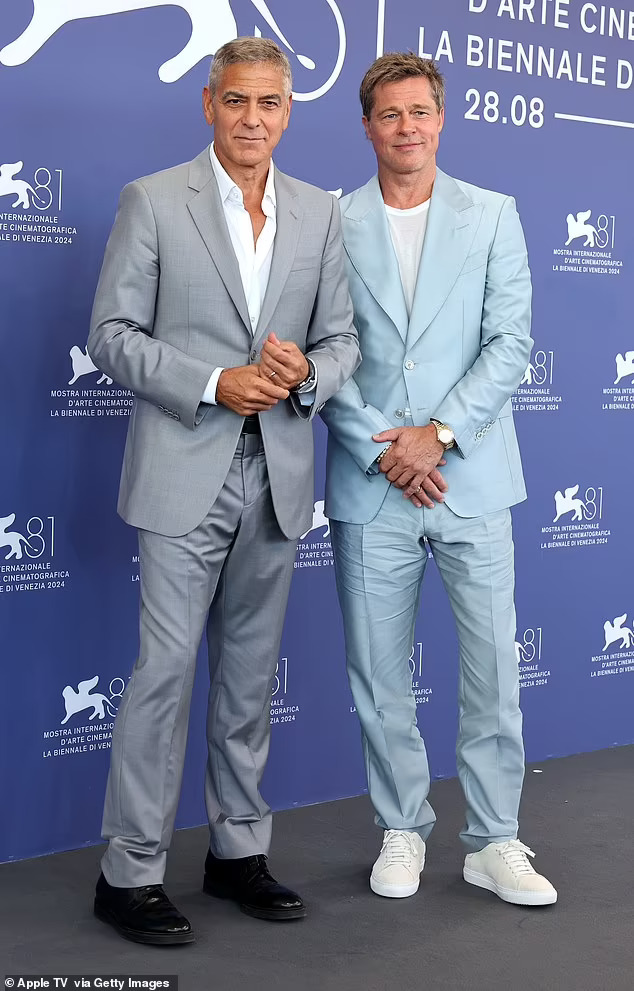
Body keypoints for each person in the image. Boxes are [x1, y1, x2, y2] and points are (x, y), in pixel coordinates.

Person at [87, 36, 360, 945]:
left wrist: (305, 374)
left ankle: (237, 852)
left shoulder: (320, 213)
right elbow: (112, 333)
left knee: (247, 680)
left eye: (269, 102)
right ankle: (129, 872)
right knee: (163, 676)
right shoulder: (154, 199)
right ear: (209, 104)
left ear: (289, 111)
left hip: (278, 477)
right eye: (236, 100)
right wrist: (213, 382)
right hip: (182, 470)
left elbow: (342, 342)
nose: (252, 118)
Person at [321, 53, 557, 907]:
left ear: (441, 118)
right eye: (390, 113)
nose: (407, 127)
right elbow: (321, 351)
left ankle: (495, 839)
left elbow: (511, 343)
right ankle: (402, 827)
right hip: (373, 480)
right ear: (367, 125)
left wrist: (439, 436)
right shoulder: (331, 220)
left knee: (493, 669)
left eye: (420, 111)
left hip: (472, 477)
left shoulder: (492, 214)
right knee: (378, 675)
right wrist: (387, 450)